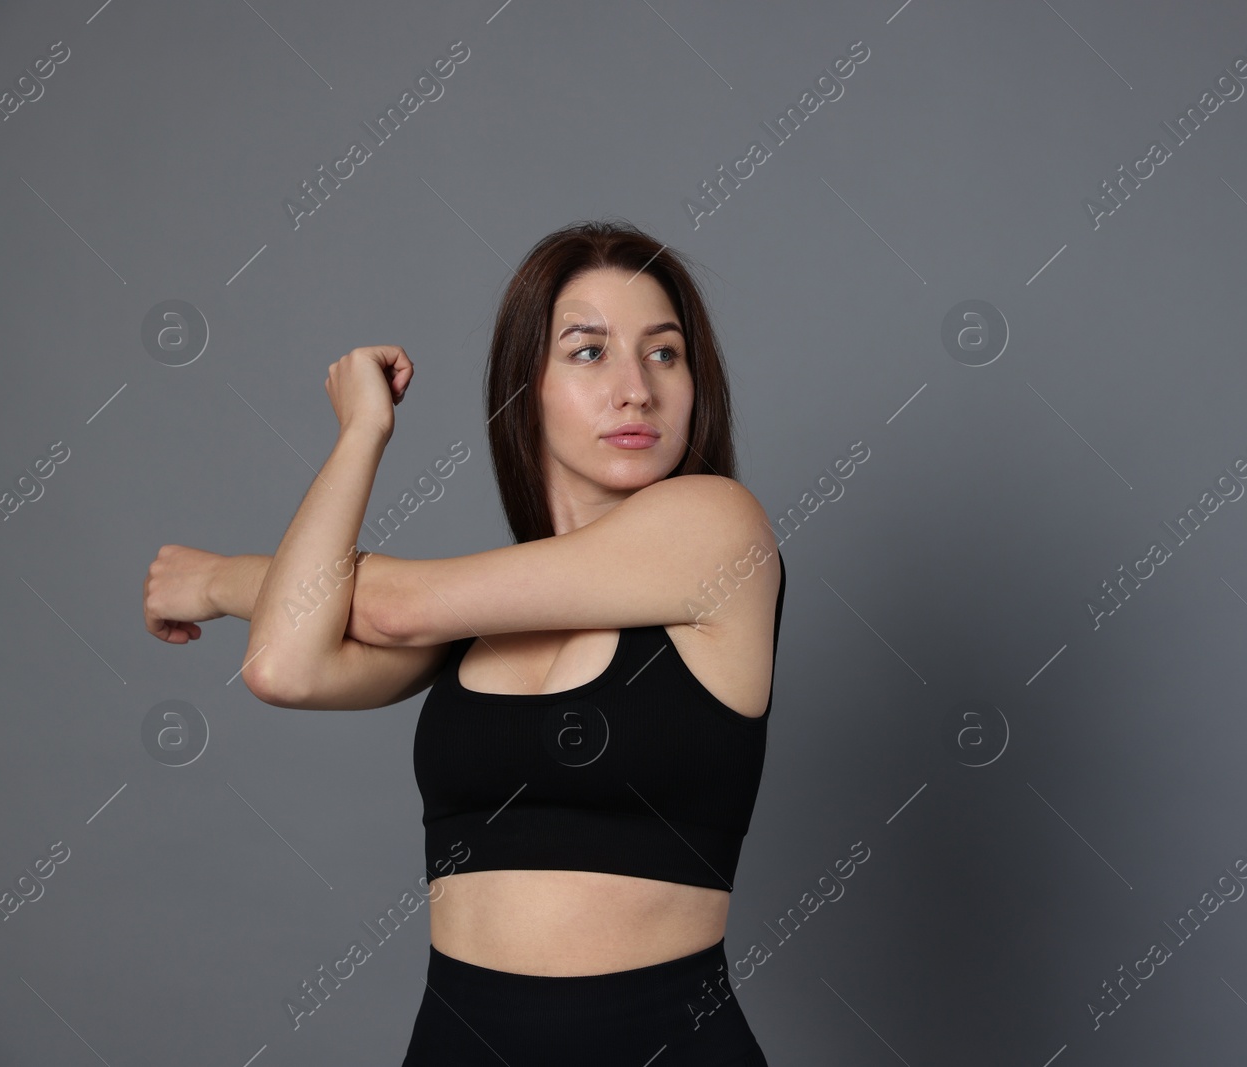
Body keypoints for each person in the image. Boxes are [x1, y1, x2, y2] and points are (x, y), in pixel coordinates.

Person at [141, 220, 785, 1064]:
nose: (636, 388)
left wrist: (222, 578)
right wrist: (361, 432)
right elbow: (284, 662)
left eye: (663, 353)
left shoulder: (718, 529)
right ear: (528, 386)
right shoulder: (481, 618)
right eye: (589, 352)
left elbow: (397, 606)